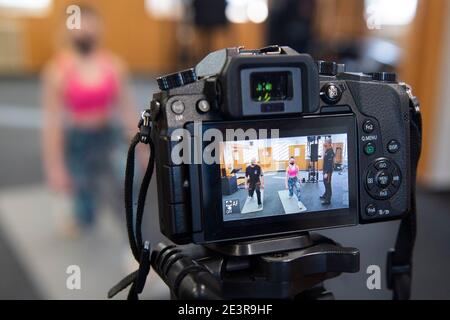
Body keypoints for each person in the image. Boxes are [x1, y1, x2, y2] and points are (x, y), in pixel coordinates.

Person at [41, 6, 140, 234]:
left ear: (98, 28)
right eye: (78, 25)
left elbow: (127, 111)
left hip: (107, 135)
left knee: (124, 182)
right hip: (78, 140)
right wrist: (54, 167)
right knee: (82, 197)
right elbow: (53, 123)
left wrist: (143, 150)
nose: (84, 30)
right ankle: (82, 214)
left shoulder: (114, 66)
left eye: (89, 24)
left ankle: (131, 233)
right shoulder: (56, 70)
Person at [321, 138, 335, 205]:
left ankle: (328, 200)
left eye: (325, 142)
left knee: (328, 184)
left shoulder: (330, 152)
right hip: (325, 170)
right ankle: (325, 195)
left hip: (328, 171)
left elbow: (330, 164)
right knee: (325, 183)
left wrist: (326, 172)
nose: (324, 143)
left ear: (329, 143)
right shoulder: (327, 150)